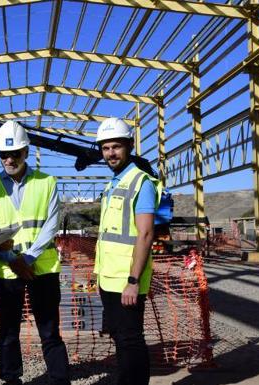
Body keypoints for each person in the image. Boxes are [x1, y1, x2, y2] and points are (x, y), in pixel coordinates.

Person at [0, 120, 70, 385]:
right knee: (8, 331)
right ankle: (11, 379)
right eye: (3, 154)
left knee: (50, 331)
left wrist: (27, 258)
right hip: (6, 271)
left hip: (41, 268)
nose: (9, 159)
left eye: (15, 153)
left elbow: (51, 225)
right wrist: (12, 261)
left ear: (26, 152)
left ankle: (60, 379)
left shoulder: (47, 183)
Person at [93, 117, 161, 385]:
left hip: (127, 280)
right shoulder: (113, 184)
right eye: (106, 148)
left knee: (131, 339)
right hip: (108, 278)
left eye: (116, 147)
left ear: (129, 146)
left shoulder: (140, 182)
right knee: (120, 338)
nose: (111, 153)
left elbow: (145, 234)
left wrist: (133, 281)